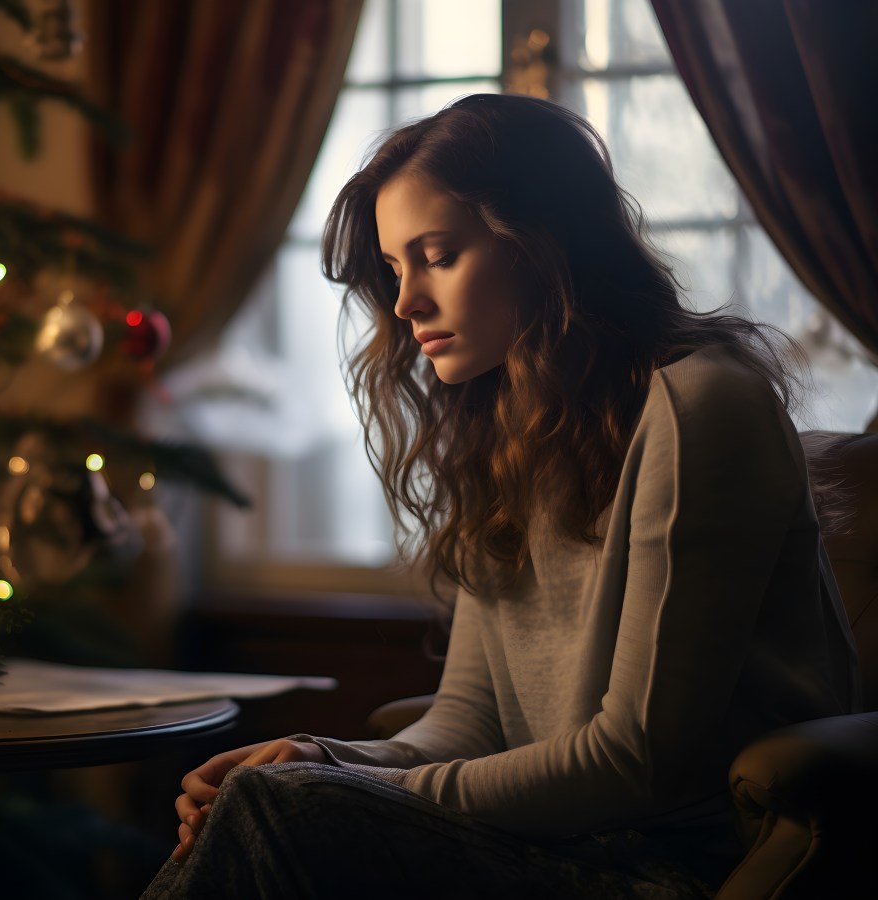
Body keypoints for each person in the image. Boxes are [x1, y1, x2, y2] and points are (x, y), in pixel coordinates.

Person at [140, 94, 859, 899]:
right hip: (551, 846)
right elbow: (470, 722)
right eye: (396, 267)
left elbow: (639, 762)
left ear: (544, 244)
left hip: (672, 868)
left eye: (438, 254)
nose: (406, 300)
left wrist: (343, 796)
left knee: (279, 813)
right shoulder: (502, 434)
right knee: (268, 797)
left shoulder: (701, 406)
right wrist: (327, 758)